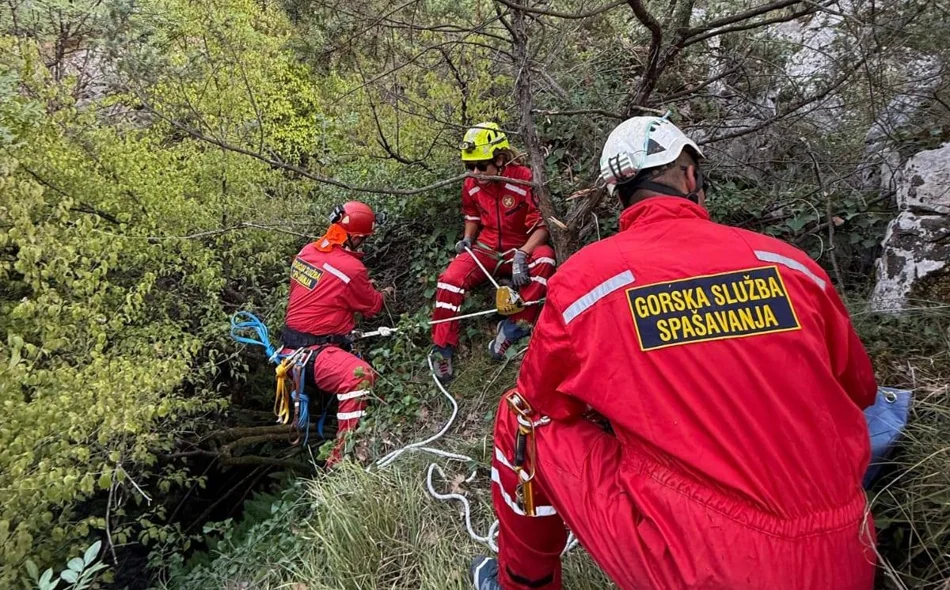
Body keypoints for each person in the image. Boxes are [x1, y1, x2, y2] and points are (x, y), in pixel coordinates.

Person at [471, 116, 879, 589]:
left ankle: (519, 581)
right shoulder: (789, 263)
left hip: (700, 565)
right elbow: (861, 390)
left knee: (520, 417)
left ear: (617, 195)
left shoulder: (590, 282)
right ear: (690, 177)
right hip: (847, 553)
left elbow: (542, 400)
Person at [430, 122, 556, 382]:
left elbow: (541, 225)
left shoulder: (522, 177)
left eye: (480, 166)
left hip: (518, 248)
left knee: (545, 257)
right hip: (484, 248)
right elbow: (472, 215)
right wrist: (466, 239)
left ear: (499, 159)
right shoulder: (471, 183)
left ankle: (512, 328)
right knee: (451, 279)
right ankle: (442, 348)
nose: (475, 172)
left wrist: (523, 253)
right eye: (469, 167)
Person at [279, 201, 391, 467]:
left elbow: (320, 294)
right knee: (360, 377)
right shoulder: (352, 270)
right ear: (355, 237)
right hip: (315, 354)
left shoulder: (306, 252)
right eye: (363, 239)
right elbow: (372, 307)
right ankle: (340, 460)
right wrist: (381, 293)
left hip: (290, 351)